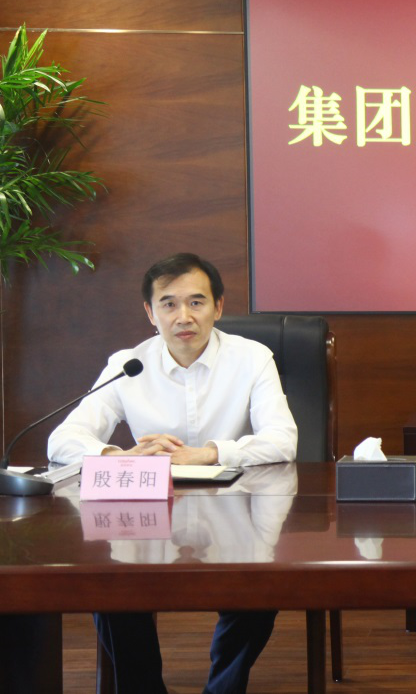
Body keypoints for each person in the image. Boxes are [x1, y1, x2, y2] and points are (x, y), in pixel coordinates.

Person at [48, 252, 298, 694]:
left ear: (218, 307)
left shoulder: (252, 358)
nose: (184, 316)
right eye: (168, 304)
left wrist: (208, 453)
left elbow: (283, 439)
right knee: (111, 591)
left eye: (196, 302)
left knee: (260, 591)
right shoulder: (128, 365)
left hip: (236, 512)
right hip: (146, 517)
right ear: (150, 312)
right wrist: (120, 455)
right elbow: (62, 440)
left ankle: (223, 689)